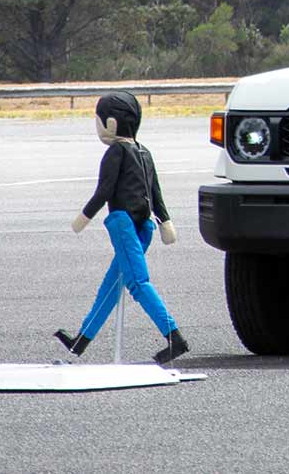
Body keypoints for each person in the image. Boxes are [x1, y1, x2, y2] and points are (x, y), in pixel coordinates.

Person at [54, 91, 189, 364]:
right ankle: (82, 340)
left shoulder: (116, 152)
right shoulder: (144, 152)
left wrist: (84, 216)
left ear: (111, 122)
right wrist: (165, 222)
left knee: (138, 283)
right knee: (111, 286)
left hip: (123, 223)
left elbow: (104, 190)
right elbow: (156, 193)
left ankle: (174, 335)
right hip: (144, 226)